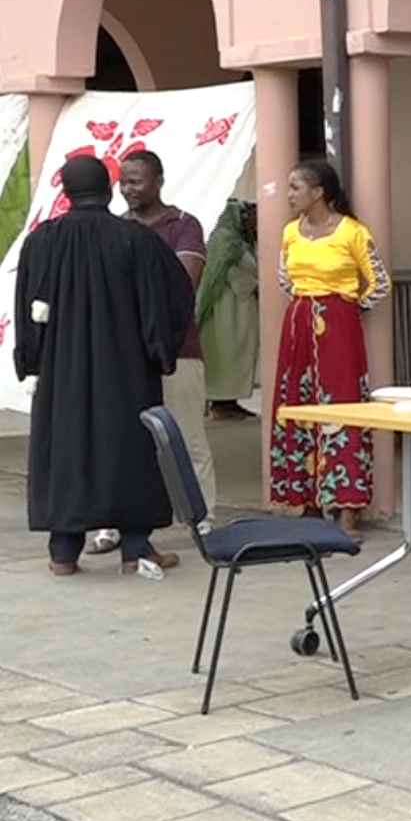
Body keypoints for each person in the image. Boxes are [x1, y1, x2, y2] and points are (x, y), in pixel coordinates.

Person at [12, 155, 193, 576]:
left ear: (66, 193)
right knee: (128, 449)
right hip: (125, 370)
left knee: (66, 451)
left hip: (61, 374)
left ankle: (63, 553)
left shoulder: (42, 241)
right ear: (108, 190)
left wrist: (31, 360)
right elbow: (172, 295)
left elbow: (27, 309)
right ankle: (135, 550)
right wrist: (158, 351)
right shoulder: (134, 240)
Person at [269, 159, 391, 544]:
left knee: (344, 407)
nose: (288, 195)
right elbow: (285, 279)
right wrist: (309, 309)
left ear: (318, 192)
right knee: (298, 402)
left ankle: (347, 510)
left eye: (295, 187)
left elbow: (380, 283)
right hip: (299, 324)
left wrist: (345, 310)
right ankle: (306, 502)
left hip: (339, 327)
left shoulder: (351, 232)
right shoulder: (290, 232)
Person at [113, 151, 214, 530]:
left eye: (136, 180)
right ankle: (118, 521)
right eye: (123, 181)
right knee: (126, 440)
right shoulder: (116, 226)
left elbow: (183, 284)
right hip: (126, 353)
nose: (128, 189)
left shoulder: (184, 225)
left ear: (159, 181)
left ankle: (201, 515)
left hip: (177, 349)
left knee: (187, 435)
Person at [200, 199, 260, 420]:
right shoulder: (223, 238)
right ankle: (222, 402)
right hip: (225, 310)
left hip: (240, 309)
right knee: (226, 355)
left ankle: (230, 401)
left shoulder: (239, 240)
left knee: (239, 355)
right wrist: (253, 286)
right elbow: (221, 273)